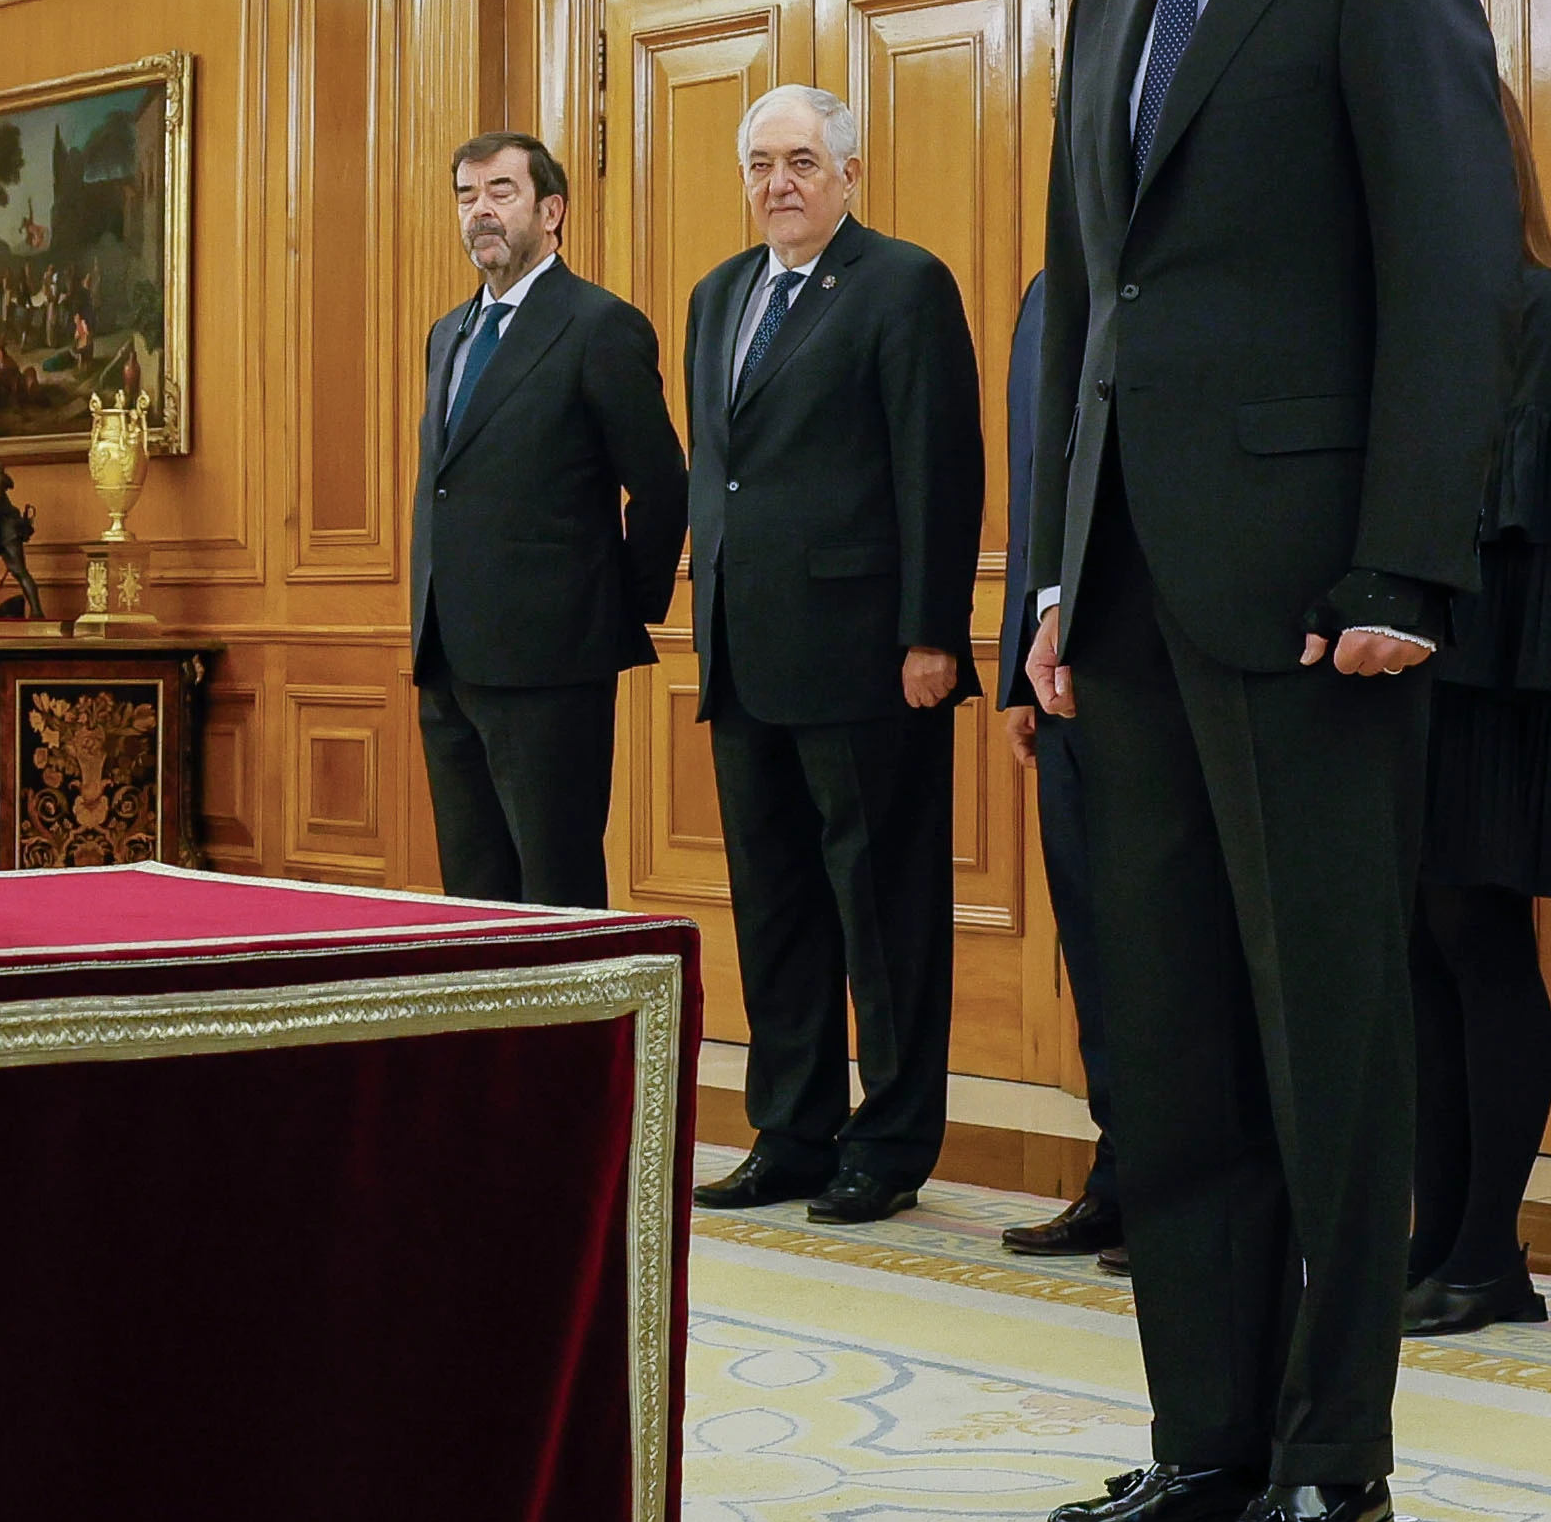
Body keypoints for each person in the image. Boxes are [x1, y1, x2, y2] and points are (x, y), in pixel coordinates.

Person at [1019, 0, 1513, 1522]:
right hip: (1127, 596)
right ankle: (1198, 1432)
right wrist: (1051, 574)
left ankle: (1334, 1451)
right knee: (1167, 1037)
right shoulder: (1106, 3)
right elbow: (1087, 314)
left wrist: (1403, 558)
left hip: (1315, 593)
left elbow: (1449, 269)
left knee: (1326, 1036)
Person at [682, 85, 983, 1228]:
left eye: (802, 159)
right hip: (744, 650)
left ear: (849, 173)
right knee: (776, 904)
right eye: (761, 163)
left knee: (883, 905)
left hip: (867, 652)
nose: (779, 182)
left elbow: (937, 466)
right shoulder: (720, 294)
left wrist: (929, 633)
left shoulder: (901, 283)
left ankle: (892, 1138)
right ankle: (791, 1129)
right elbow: (725, 470)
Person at [1402, 83, 1551, 1336]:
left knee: (1478, 946)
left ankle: (1489, 1252)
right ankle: (1438, 1239)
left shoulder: (1539, 307)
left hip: (1488, 670)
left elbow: (1512, 518)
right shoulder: (1413, 305)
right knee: (1422, 961)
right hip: (1409, 673)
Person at [410, 130, 685, 906]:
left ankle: (570, 1036)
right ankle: (491, 1036)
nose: (481, 212)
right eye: (467, 196)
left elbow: (663, 486)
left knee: (554, 895)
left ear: (551, 209)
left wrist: (612, 609)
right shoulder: (447, 334)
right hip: (447, 662)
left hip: (555, 664)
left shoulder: (600, 326)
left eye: (501, 191)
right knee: (473, 899)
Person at [993, 263, 1125, 1262]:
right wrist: (1013, 670)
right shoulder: (1049, 289)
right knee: (1094, 934)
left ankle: (1201, 1186)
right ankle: (1123, 1170)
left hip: (1167, 661)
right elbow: (1033, 480)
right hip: (1061, 673)